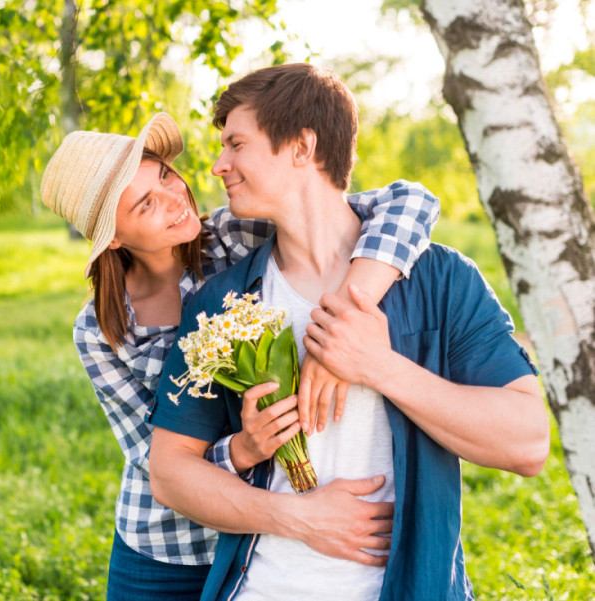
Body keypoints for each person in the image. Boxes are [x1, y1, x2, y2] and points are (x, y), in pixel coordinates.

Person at [148, 62, 550, 601]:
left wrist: (377, 366)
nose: (218, 165)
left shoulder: (441, 278)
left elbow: (528, 442)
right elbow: (170, 474)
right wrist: (298, 518)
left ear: (301, 146)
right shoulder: (221, 304)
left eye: (236, 144)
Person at [39, 111, 441, 600]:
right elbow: (152, 456)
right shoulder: (101, 329)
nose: (175, 200)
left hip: (261, 545)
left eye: (166, 177)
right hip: (164, 547)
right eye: (147, 203)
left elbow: (409, 202)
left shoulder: (234, 238)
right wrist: (243, 449)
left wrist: (343, 323)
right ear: (115, 238)